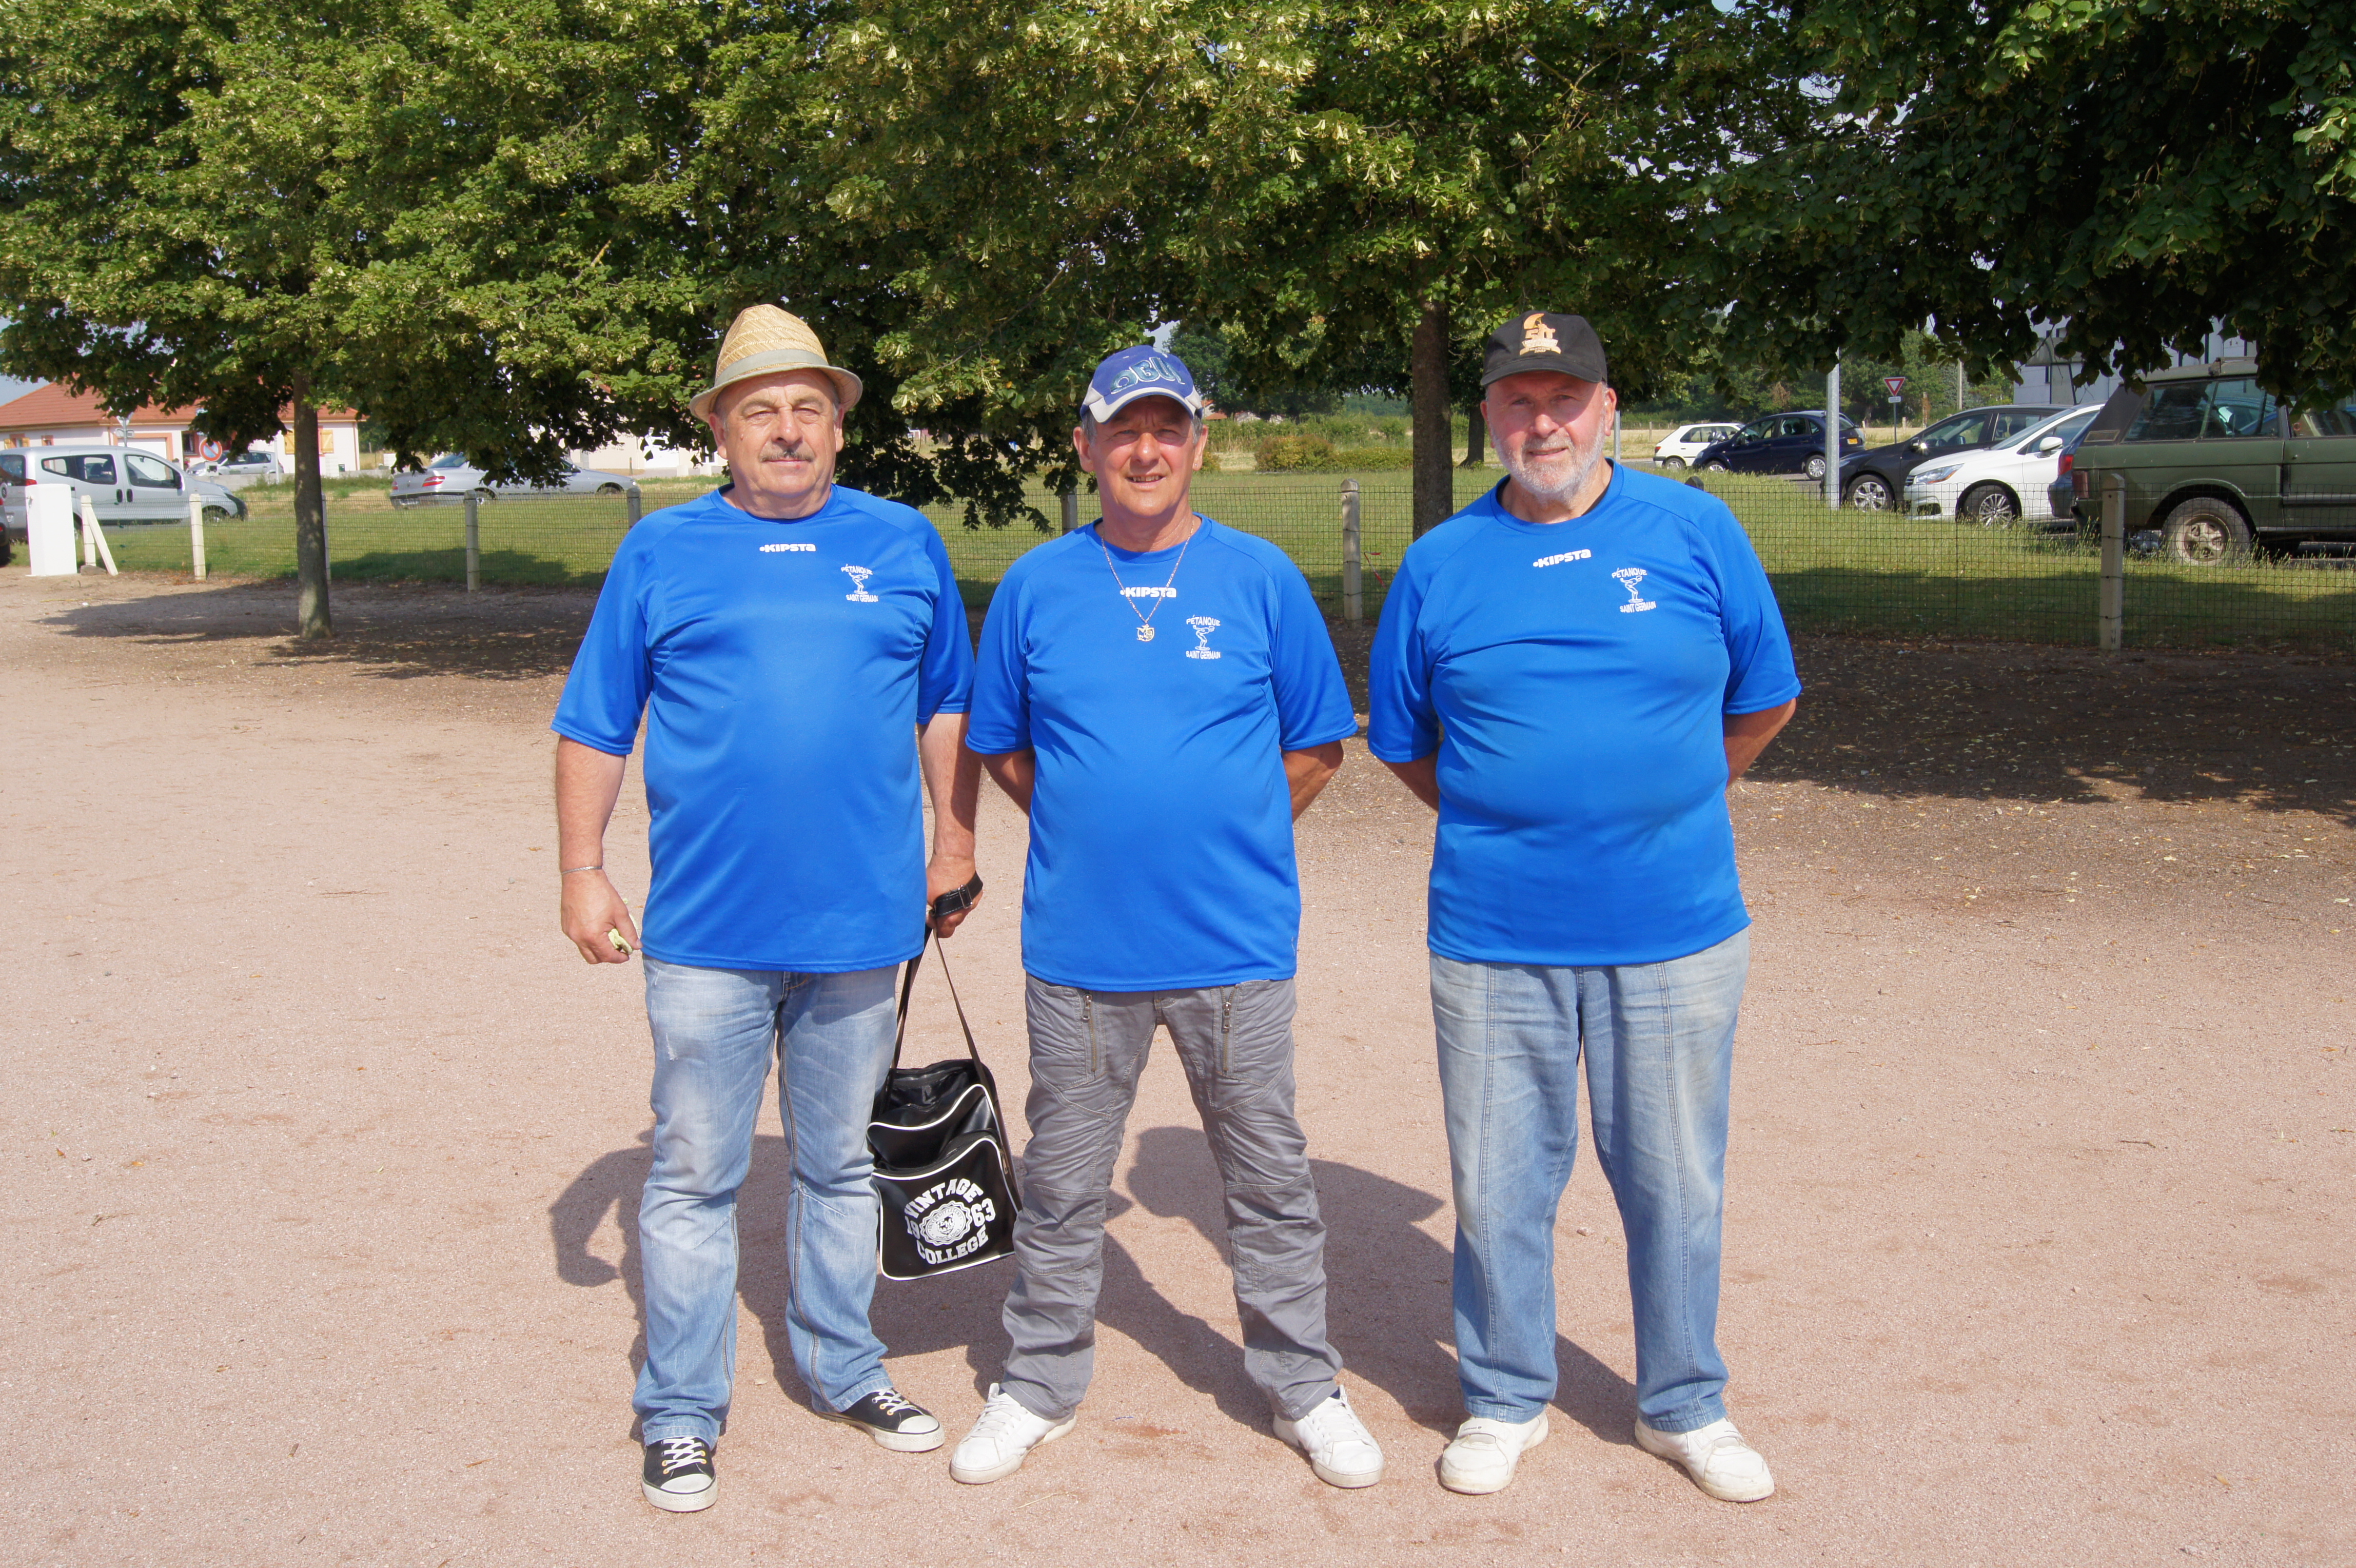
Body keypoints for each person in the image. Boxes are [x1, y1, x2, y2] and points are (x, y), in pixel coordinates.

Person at [551, 304, 983, 1513]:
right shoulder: (661, 552)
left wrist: (954, 839)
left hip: (863, 924)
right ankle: (681, 1413)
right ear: (720, 431)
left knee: (841, 1166)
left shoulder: (902, 542)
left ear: (840, 425)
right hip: (706, 933)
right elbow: (595, 719)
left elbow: (945, 705)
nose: (786, 431)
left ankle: (846, 1367)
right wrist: (582, 868)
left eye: (808, 408)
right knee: (693, 1173)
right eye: (760, 411)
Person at [1367, 311, 1800, 1500]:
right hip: (1494, 934)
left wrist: (1664, 800)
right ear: (1488, 420)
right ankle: (1505, 1394)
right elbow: (1404, 743)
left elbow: (1763, 699)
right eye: (1516, 400)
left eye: (1564, 398)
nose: (1540, 420)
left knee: (1673, 1177)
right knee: (1501, 1179)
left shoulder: (1695, 529)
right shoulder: (1441, 562)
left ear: (1608, 410)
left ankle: (1683, 1403)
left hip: (1675, 927)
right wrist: (1515, 812)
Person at [950, 346, 1382, 1489]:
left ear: (1197, 442)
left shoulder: (1260, 577)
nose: (1145, 451)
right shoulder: (1039, 584)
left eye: (1167, 430)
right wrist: (1097, 828)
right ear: (1086, 448)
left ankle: (1303, 1383)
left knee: (1269, 1177)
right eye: (1120, 431)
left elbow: (1316, 747)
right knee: (1062, 1181)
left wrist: (1224, 828)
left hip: (1232, 948)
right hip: (1081, 952)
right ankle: (1039, 1380)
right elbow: (1000, 746)